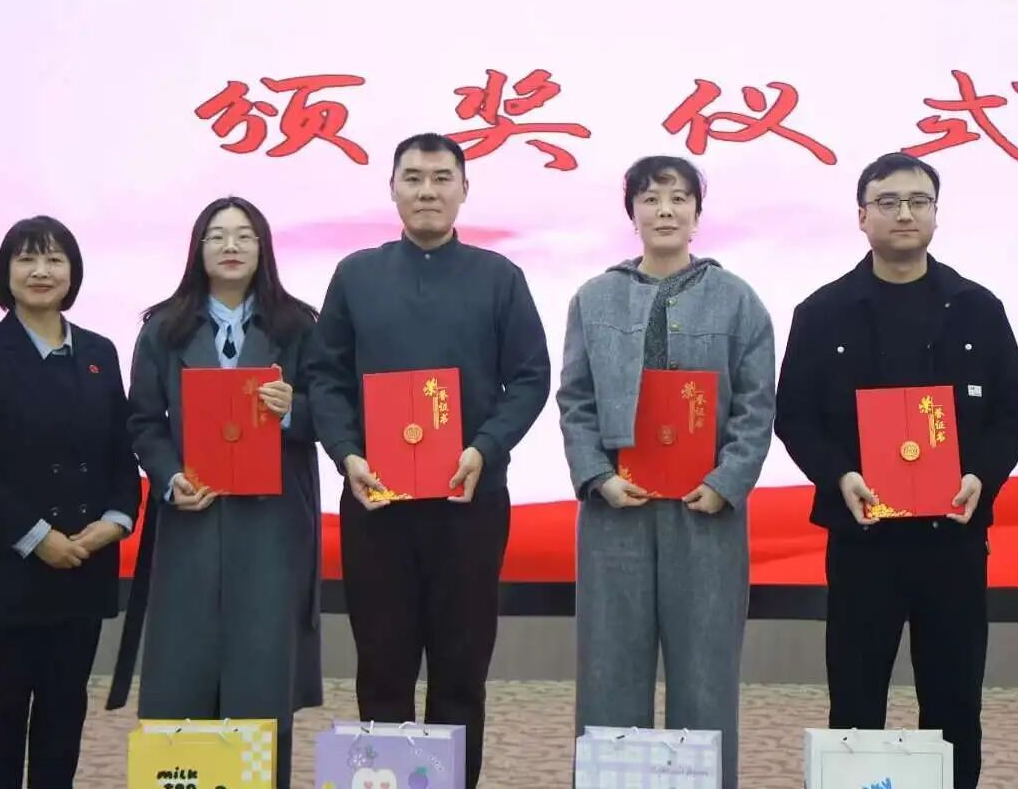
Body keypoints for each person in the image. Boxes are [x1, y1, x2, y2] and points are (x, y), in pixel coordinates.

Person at [774, 153, 1018, 789]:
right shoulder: (823, 311)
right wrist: (839, 475)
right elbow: (794, 416)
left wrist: (981, 476)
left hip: (953, 537)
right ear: (862, 216)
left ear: (936, 215)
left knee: (954, 700)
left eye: (919, 201)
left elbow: (1015, 413)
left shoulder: (977, 308)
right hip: (863, 538)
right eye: (887, 202)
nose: (904, 214)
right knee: (856, 698)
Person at [305, 132, 551, 788]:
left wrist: (484, 448)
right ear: (392, 189)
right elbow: (325, 377)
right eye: (412, 178)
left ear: (464, 189)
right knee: (382, 667)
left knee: (460, 670)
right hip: (376, 502)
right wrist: (347, 454)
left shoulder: (499, 277)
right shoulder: (356, 274)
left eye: (442, 178)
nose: (427, 192)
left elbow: (530, 378)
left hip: (468, 501)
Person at [557, 156, 775, 788]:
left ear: (698, 213)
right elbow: (575, 399)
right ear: (631, 212)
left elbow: (757, 404)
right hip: (615, 510)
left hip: (705, 514)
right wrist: (597, 476)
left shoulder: (738, 300)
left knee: (705, 673)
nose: (665, 211)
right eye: (651, 199)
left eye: (679, 198)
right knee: (609, 667)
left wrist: (727, 482)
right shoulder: (594, 297)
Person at [112, 197, 322, 787]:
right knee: (184, 674)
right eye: (217, 236)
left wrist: (292, 410)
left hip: (271, 525)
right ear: (198, 249)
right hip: (191, 520)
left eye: (244, 235)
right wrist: (167, 476)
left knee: (262, 684)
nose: (231, 246)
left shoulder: (298, 326)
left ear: (263, 248)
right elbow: (143, 422)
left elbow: (333, 411)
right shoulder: (163, 328)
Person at [0, 215, 142, 788]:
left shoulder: (99, 352)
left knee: (64, 710)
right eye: (26, 258)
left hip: (84, 562)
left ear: (72, 272)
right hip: (8, 565)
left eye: (54, 259)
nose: (41, 271)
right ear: (5, 272)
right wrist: (37, 538)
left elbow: (120, 454)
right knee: (2, 711)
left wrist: (115, 521)